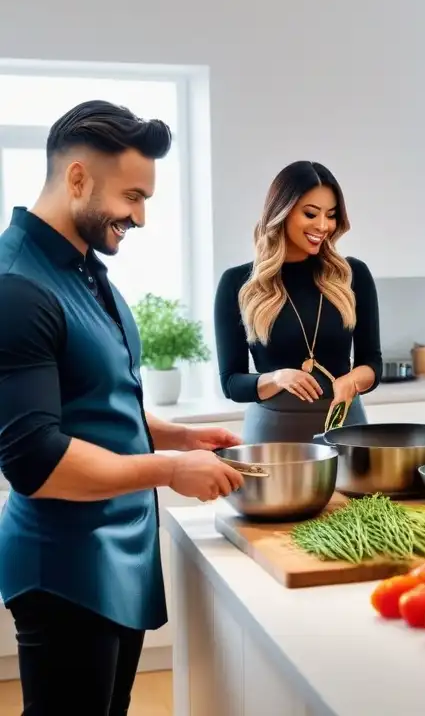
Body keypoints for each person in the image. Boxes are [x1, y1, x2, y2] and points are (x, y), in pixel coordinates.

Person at [0, 100, 245, 714]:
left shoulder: (83, 268)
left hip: (115, 557)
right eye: (132, 196)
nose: (138, 216)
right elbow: (38, 463)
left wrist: (177, 439)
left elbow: (95, 400)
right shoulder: (18, 288)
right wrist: (168, 471)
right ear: (77, 177)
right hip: (64, 569)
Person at [214, 161, 382, 443]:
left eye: (331, 215)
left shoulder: (352, 276)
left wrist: (351, 381)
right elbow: (231, 383)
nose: (323, 225)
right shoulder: (238, 283)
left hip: (345, 429)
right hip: (272, 436)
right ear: (282, 211)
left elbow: (372, 363)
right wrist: (277, 378)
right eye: (310, 213)